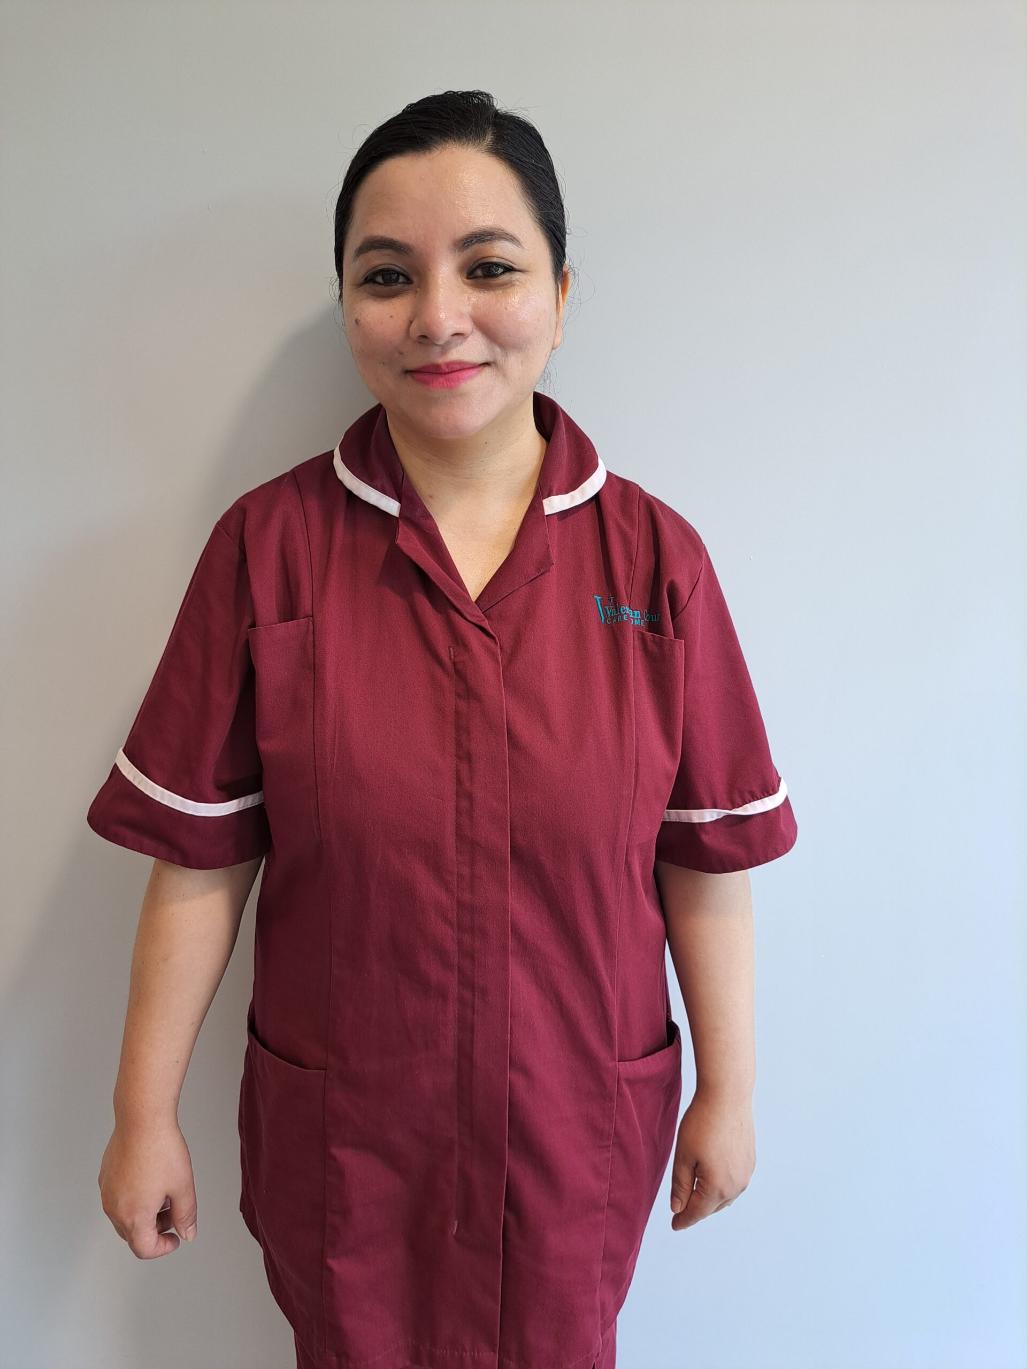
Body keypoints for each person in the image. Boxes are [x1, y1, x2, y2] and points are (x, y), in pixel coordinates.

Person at [89, 88, 798, 1369]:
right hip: (348, 1135)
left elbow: (705, 857)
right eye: (386, 275)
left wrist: (729, 1091)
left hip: (577, 1130)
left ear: (562, 295)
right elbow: (200, 855)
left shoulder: (657, 559)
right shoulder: (269, 551)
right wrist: (143, 1111)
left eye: (489, 267)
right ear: (348, 300)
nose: (437, 317)